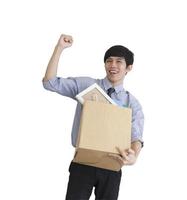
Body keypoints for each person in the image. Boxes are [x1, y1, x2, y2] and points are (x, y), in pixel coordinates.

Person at [42, 34, 144, 200]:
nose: (113, 65)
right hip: (82, 163)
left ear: (129, 67)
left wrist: (135, 155)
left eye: (119, 61)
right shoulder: (87, 86)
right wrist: (59, 48)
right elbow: (50, 83)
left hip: (112, 167)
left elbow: (136, 137)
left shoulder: (132, 103)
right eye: (109, 60)